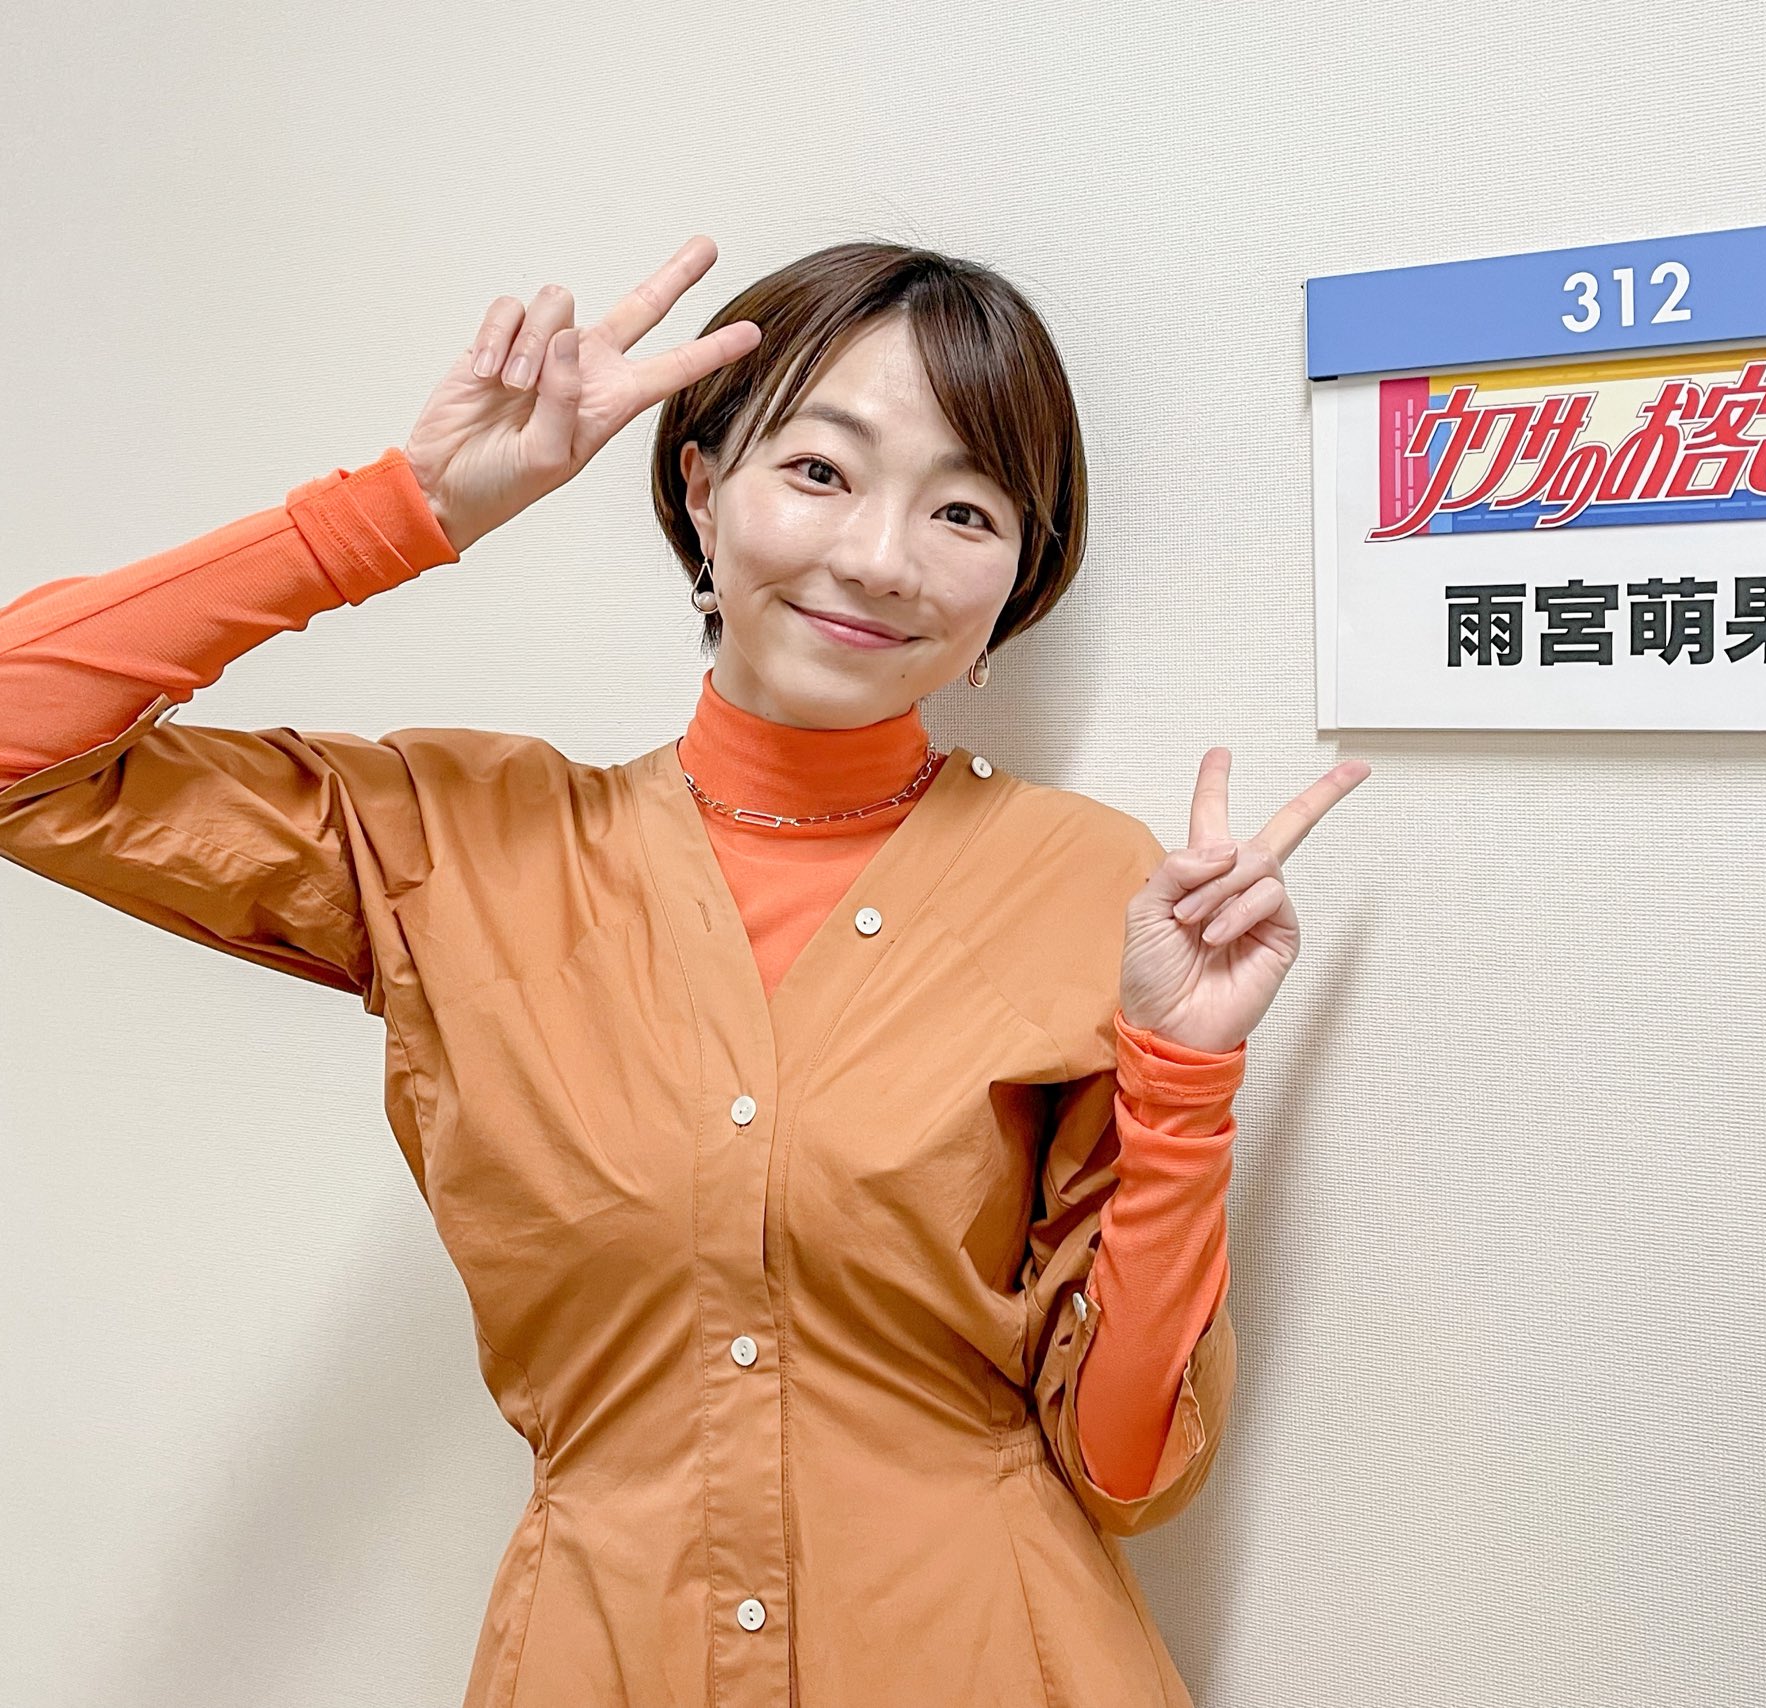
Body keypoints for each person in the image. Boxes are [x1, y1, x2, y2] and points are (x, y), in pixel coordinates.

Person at [0, 234, 1368, 1706]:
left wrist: (1184, 1081)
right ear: (703, 489)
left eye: (964, 510)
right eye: (822, 471)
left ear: (1016, 580)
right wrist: (409, 509)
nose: (881, 558)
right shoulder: (460, 850)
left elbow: (1127, 1465)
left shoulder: (1096, 887)